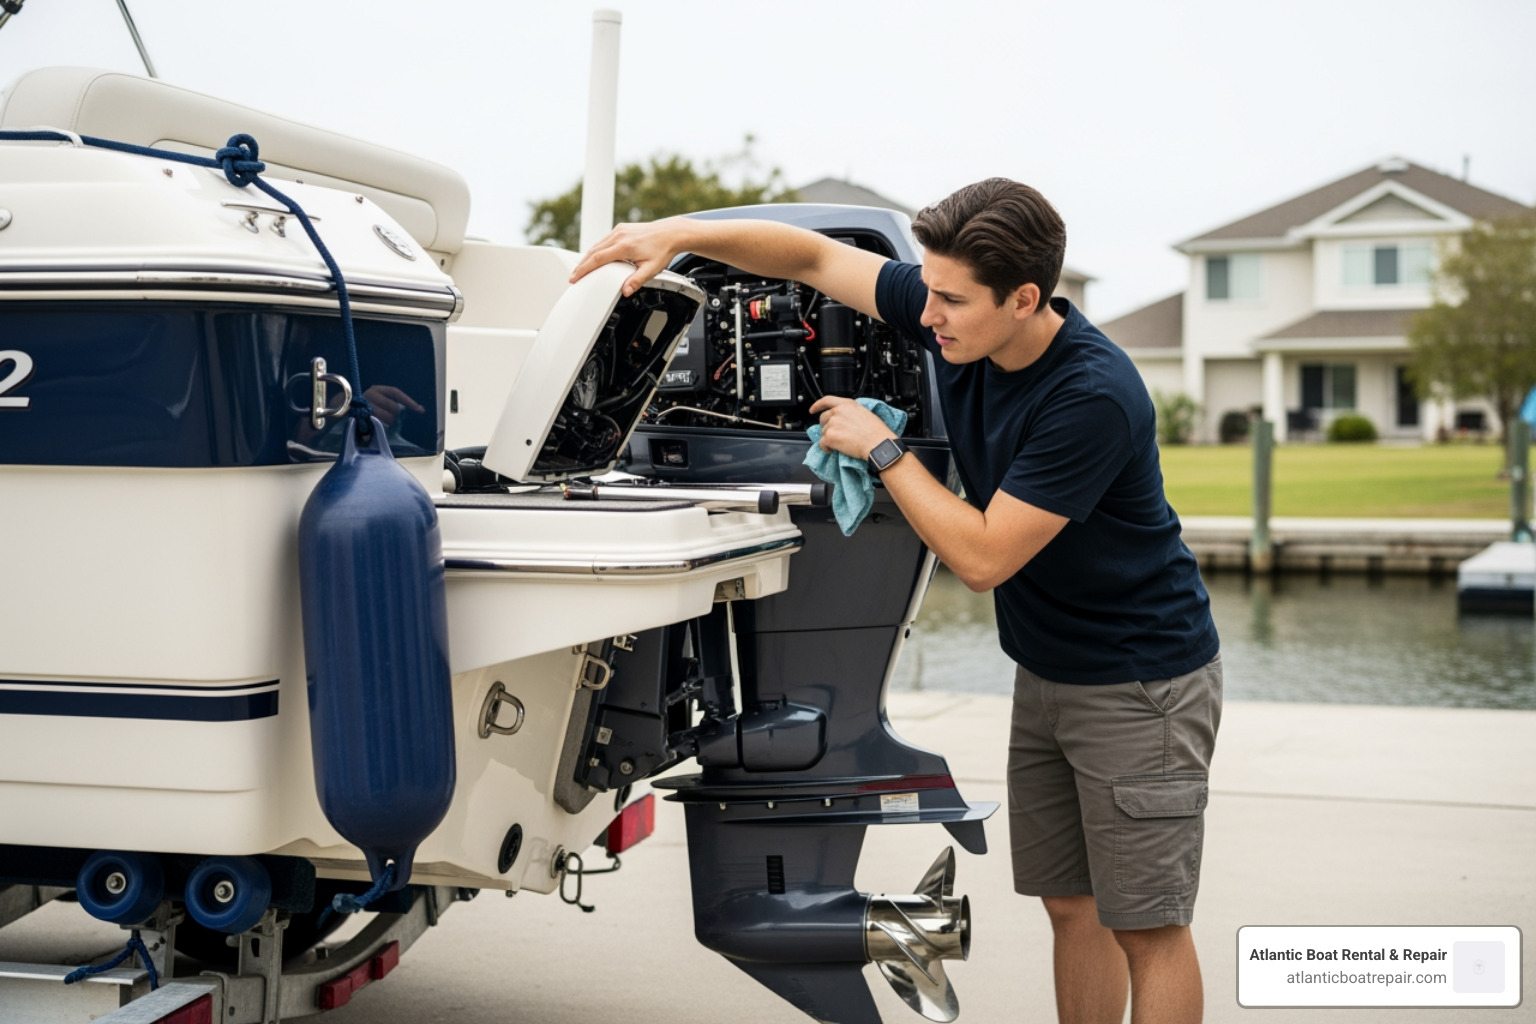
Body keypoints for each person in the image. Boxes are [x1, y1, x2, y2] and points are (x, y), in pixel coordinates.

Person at [570, 177, 1221, 1024]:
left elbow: (983, 555)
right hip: (1052, 670)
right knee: (1073, 906)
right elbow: (809, 257)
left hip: (1142, 687)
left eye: (952, 299)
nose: (931, 314)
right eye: (929, 289)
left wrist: (884, 449)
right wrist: (675, 235)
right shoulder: (951, 310)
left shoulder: (1090, 395)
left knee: (1149, 927)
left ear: (1025, 299)